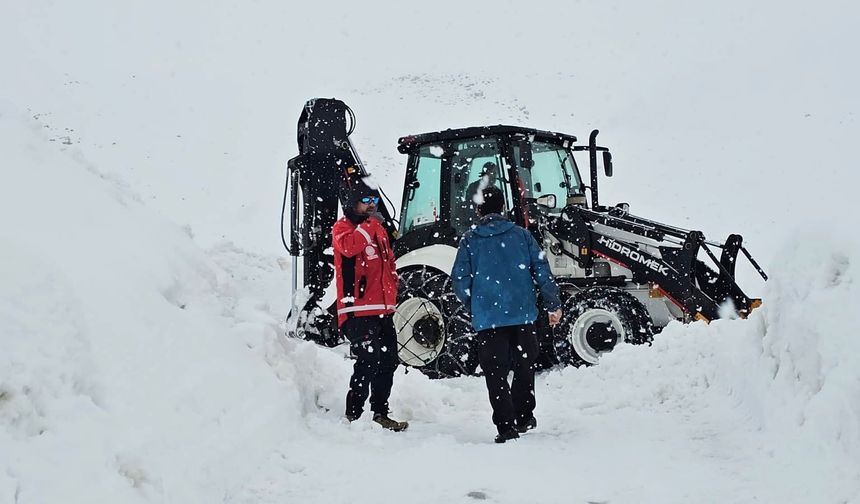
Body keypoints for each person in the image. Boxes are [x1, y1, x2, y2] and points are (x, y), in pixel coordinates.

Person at [451, 186, 562, 443]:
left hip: (489, 319)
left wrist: (475, 303)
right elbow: (542, 272)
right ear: (503, 207)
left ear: (479, 209)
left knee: (495, 371)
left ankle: (506, 426)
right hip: (522, 315)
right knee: (525, 365)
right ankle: (524, 416)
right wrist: (552, 304)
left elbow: (459, 281)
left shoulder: (469, 240)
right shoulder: (522, 236)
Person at [332, 180, 408, 432]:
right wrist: (370, 226)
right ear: (352, 203)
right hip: (357, 310)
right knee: (368, 360)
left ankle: (380, 412)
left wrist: (393, 284)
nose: (372, 205)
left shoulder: (379, 229)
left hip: (382, 309)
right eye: (366, 201)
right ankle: (353, 415)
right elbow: (349, 247)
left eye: (374, 201)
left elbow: (388, 264)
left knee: (388, 361)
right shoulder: (344, 228)